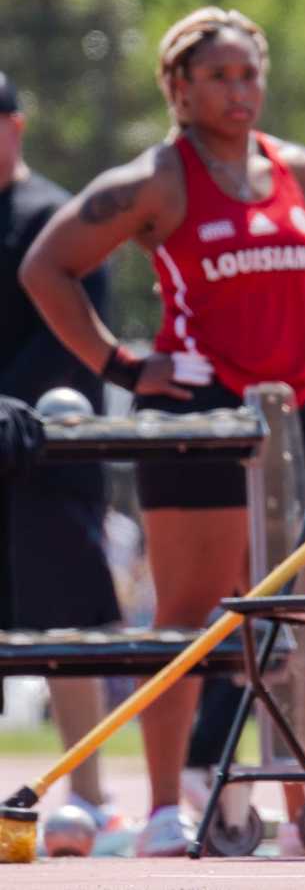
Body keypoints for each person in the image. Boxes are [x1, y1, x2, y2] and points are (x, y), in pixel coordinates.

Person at [22, 8, 305, 857]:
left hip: (290, 421)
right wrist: (126, 367)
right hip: (198, 421)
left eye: (248, 73)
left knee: (293, 617)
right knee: (189, 617)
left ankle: (300, 803)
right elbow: (47, 266)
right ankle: (168, 807)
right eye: (217, 76)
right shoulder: (155, 182)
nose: (236, 90)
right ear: (177, 87)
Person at [0, 70, 126, 837]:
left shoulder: (56, 216)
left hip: (48, 453)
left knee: (69, 628)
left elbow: (75, 340)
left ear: (14, 123)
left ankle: (91, 793)